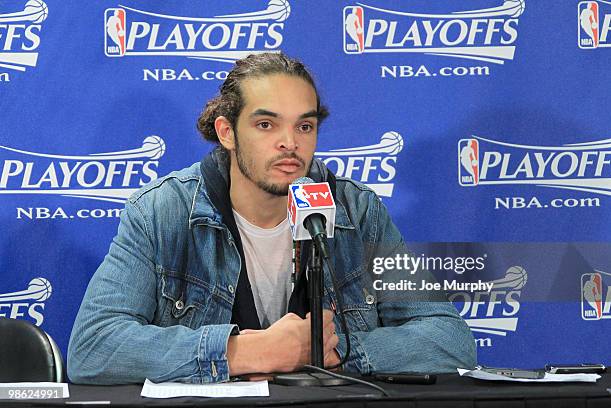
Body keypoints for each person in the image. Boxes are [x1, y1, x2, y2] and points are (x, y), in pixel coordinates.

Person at [68, 52, 476, 385]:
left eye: (305, 125)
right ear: (226, 132)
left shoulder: (357, 210)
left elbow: (450, 338)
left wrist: (327, 352)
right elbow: (93, 348)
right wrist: (245, 352)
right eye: (266, 124)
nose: (290, 143)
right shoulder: (164, 211)